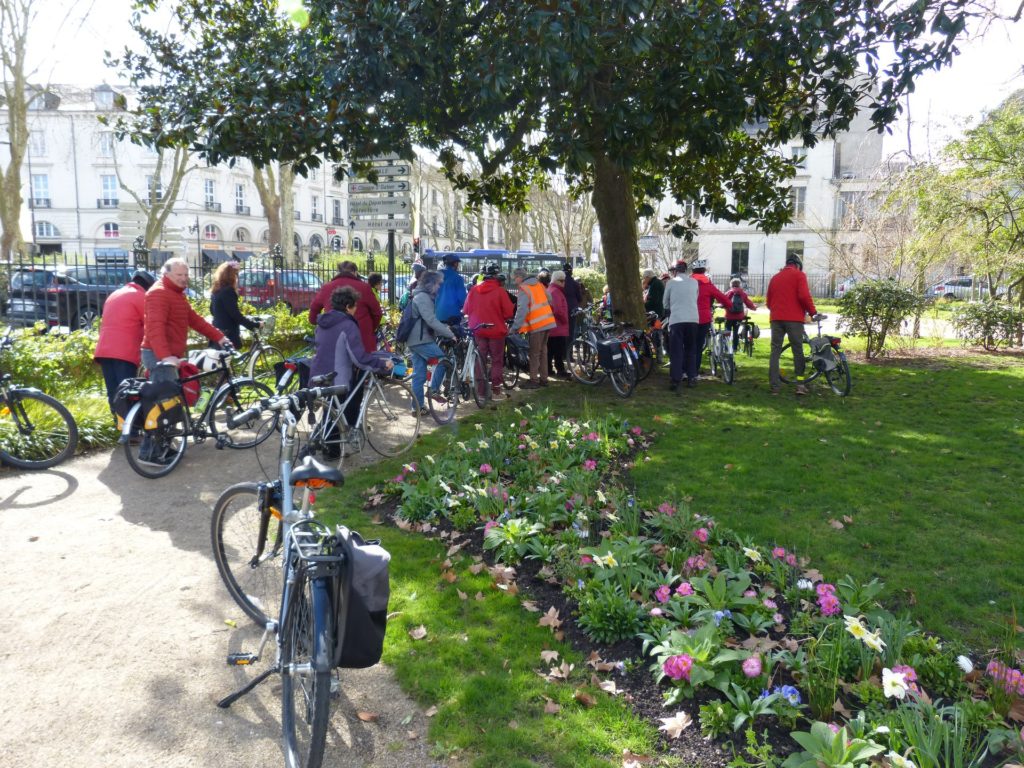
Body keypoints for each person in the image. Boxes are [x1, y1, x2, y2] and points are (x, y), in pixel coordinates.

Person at [310, 286, 394, 450]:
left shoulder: (322, 323)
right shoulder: (348, 325)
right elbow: (359, 358)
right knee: (336, 414)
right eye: (355, 306)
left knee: (331, 413)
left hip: (318, 373)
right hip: (338, 376)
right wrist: (382, 364)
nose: (356, 310)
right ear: (348, 307)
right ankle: (332, 452)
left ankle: (325, 445)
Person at [142, 258, 228, 384]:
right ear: (166, 274)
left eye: (186, 274)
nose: (183, 278)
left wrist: (220, 338)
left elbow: (195, 320)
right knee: (167, 400)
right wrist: (165, 357)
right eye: (179, 275)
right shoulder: (159, 293)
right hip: (159, 355)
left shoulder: (176, 293)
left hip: (169, 354)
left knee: (174, 397)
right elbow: (155, 328)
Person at [93, 270, 155, 412]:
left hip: (104, 350)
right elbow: (150, 326)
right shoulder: (141, 297)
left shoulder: (114, 294)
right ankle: (130, 430)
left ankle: (119, 426)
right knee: (127, 392)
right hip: (124, 352)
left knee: (113, 391)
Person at [405, 270, 457, 413]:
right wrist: (449, 333)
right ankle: (433, 391)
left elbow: (427, 320)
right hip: (421, 340)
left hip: (414, 340)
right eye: (438, 284)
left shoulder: (419, 295)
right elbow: (431, 320)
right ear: (431, 284)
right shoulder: (423, 297)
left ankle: (418, 407)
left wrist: (443, 328)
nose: (440, 287)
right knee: (443, 361)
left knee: (419, 375)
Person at [462, 261, 515, 401]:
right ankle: (496, 391)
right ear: (496, 275)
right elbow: (509, 313)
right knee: (497, 360)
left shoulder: (474, 290)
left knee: (480, 360)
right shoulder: (500, 291)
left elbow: (466, 310)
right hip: (496, 331)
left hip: (478, 330)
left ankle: (480, 392)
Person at [766, 253, 817, 395]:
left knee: (775, 351)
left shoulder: (774, 278)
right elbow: (804, 296)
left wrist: (777, 311)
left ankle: (775, 386)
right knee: (797, 351)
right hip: (794, 319)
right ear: (798, 265)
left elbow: (769, 302)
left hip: (776, 318)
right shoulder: (799, 275)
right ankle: (800, 384)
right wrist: (813, 312)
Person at [308, 261, 383, 351]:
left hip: (334, 341)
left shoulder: (326, 287)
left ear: (338, 272)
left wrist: (323, 324)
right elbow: (377, 313)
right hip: (362, 341)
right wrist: (369, 329)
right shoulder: (364, 287)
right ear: (355, 272)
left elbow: (313, 315)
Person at [511, 267, 556, 389]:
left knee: (534, 353)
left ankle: (534, 380)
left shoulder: (524, 289)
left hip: (537, 324)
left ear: (519, 277)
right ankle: (544, 379)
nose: (515, 282)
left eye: (515, 279)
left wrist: (515, 327)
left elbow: (522, 310)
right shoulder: (539, 285)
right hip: (548, 321)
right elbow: (550, 298)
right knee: (543, 351)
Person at [662, 260, 700, 391]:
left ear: (675, 270)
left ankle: (676, 379)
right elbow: (695, 297)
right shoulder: (694, 282)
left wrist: (670, 309)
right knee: (691, 349)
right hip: (693, 319)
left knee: (676, 350)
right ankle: (692, 377)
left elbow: (665, 302)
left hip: (677, 319)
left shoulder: (671, 283)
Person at [689, 259, 731, 371]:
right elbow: (722, 298)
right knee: (698, 346)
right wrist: (729, 305)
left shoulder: (688, 283)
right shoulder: (708, 285)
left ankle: (685, 371)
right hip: (703, 319)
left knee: (688, 345)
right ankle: (694, 372)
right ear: (704, 270)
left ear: (693, 271)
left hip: (689, 317)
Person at [209, 261, 259, 348]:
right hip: (227, 334)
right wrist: (254, 325)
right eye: (236, 274)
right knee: (228, 360)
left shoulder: (217, 290)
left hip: (217, 332)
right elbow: (235, 315)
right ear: (232, 276)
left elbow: (212, 310)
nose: (237, 278)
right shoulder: (228, 291)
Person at [546, 270, 570, 379]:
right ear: (557, 280)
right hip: (558, 326)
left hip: (552, 326)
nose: (564, 283)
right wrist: (565, 320)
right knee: (558, 351)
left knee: (550, 350)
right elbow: (558, 310)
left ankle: (548, 369)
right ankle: (560, 370)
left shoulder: (551, 290)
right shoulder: (556, 291)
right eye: (562, 280)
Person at [723, 278, 758, 350]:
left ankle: (726, 347)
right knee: (736, 332)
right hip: (739, 316)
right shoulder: (743, 294)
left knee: (727, 331)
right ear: (739, 285)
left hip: (729, 316)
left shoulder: (728, 293)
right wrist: (754, 307)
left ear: (731, 285)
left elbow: (723, 302)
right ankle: (734, 348)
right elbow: (748, 303)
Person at [433, 253, 468, 324]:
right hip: (452, 315)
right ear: (455, 264)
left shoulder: (436, 276)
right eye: (457, 263)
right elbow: (462, 299)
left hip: (437, 315)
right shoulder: (457, 278)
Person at [561, 262, 584, 360]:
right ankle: (569, 355)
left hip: (561, 308)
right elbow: (579, 298)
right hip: (572, 309)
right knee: (570, 332)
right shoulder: (575, 283)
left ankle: (561, 354)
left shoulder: (561, 283)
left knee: (561, 332)